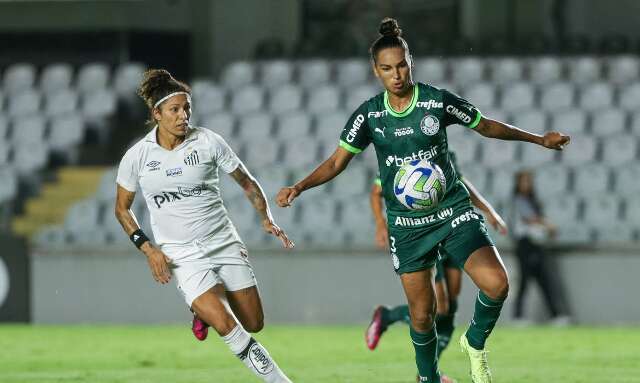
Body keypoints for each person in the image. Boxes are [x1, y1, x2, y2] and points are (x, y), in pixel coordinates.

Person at [276, 18, 569, 383]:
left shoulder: (436, 101)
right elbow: (337, 161)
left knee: (497, 284)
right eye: (387, 69)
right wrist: (299, 187)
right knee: (422, 314)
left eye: (401, 66)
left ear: (410, 62)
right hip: (408, 228)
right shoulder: (370, 115)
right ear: (376, 71)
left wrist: (539, 139)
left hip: (453, 212)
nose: (396, 75)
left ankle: (474, 343)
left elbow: (487, 126)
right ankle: (428, 379)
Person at [114, 69, 294, 383]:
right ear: (156, 114)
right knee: (227, 325)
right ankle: (279, 380)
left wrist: (267, 218)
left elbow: (247, 183)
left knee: (254, 322)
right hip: (180, 256)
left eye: (187, 109)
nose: (183, 116)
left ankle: (202, 312)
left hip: (223, 241)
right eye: (175, 110)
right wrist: (148, 249)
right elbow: (122, 209)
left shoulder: (208, 141)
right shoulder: (138, 157)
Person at [365, 151, 509, 378]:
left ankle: (427, 366)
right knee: (439, 306)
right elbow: (376, 192)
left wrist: (488, 211)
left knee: (450, 304)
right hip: (424, 232)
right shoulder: (395, 158)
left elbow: (460, 183)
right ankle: (393, 324)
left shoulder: (443, 152)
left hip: (454, 223)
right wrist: (380, 224)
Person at [512, 170, 571, 325]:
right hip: (525, 244)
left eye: (528, 181)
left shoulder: (533, 201)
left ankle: (556, 315)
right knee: (524, 281)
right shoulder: (518, 200)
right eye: (523, 181)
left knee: (545, 281)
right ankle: (518, 317)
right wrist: (547, 224)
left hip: (537, 244)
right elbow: (529, 219)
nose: (527, 184)